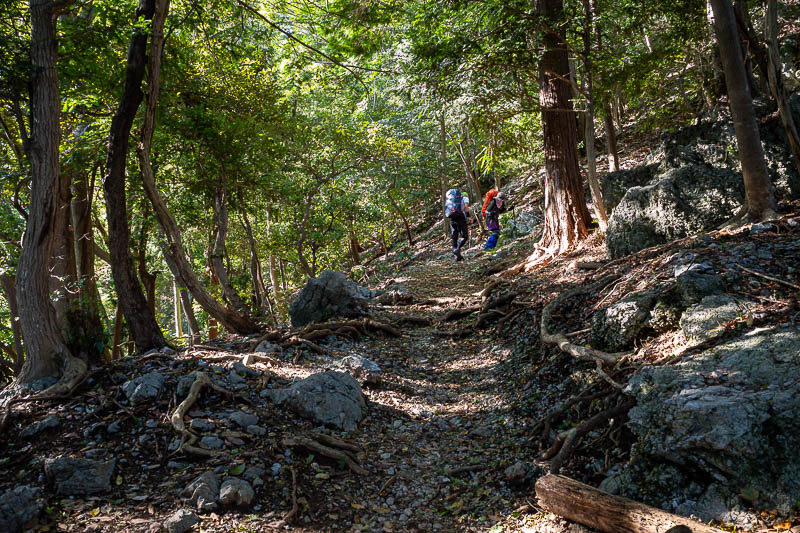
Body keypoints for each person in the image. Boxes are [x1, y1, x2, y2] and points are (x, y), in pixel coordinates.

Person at [444, 188, 470, 261]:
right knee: (465, 236)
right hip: (460, 218)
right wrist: (468, 216)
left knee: (454, 236)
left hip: (452, 218)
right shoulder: (465, 198)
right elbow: (466, 207)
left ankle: (457, 255)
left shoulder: (453, 201)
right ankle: (457, 249)